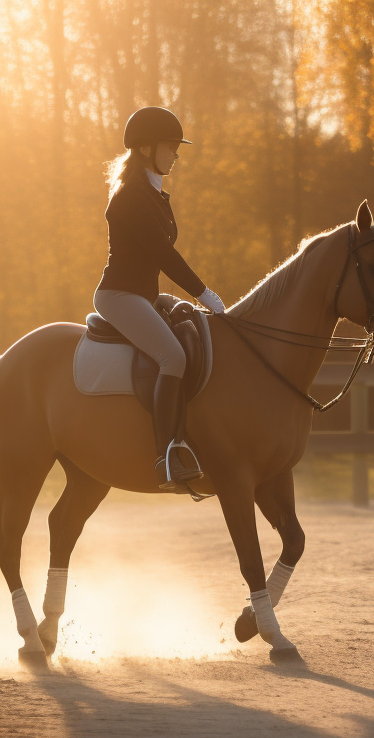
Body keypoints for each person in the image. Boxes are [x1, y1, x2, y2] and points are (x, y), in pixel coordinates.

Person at [96, 106, 226, 489]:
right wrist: (207, 294)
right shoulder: (131, 197)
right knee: (173, 356)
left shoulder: (152, 194)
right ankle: (166, 454)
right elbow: (163, 255)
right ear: (147, 148)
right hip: (119, 295)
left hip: (144, 295)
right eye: (170, 147)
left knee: (191, 329)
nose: (176, 154)